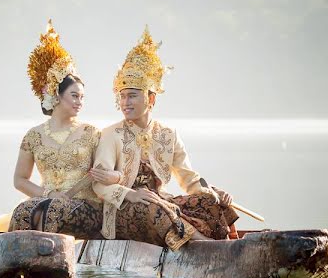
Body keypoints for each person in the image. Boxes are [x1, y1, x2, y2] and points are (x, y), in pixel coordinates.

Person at [90, 27, 239, 251]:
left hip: (162, 202)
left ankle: (224, 243)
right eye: (122, 96)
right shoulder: (111, 134)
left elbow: (189, 180)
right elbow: (99, 186)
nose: (125, 103)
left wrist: (213, 192)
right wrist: (132, 194)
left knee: (210, 203)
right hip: (125, 208)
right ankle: (207, 246)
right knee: (153, 206)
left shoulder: (168, 134)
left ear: (151, 99)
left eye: (132, 96)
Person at [0, 22, 112, 235]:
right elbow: (19, 180)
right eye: (74, 96)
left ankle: (50, 262)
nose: (79, 102)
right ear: (56, 95)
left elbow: (106, 171)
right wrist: (47, 193)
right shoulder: (34, 136)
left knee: (52, 212)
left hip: (86, 206)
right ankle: (19, 266)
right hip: (47, 201)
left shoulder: (92, 133)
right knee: (23, 211)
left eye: (82, 97)